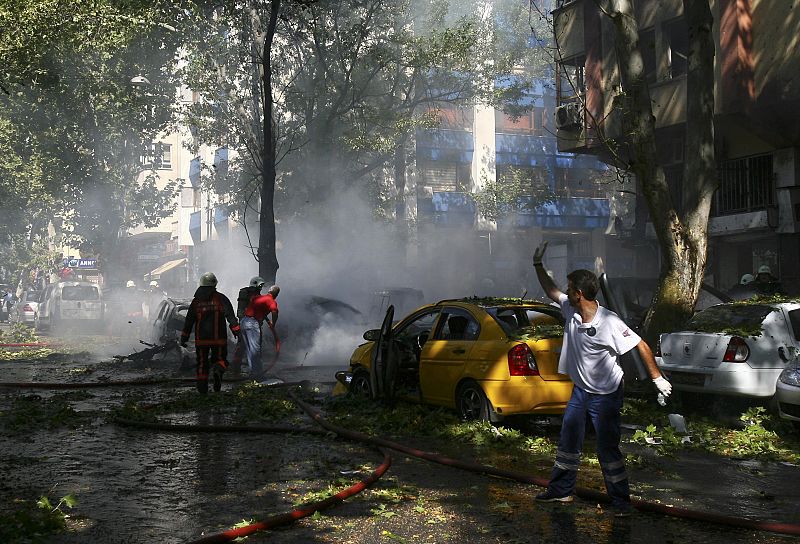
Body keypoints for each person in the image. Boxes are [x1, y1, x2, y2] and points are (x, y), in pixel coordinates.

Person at [531, 241, 672, 517]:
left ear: (579, 294)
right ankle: (561, 491)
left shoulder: (609, 322)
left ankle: (621, 503)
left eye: (570, 289)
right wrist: (537, 265)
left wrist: (657, 379)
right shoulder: (570, 310)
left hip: (606, 395)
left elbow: (641, 345)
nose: (566, 292)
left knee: (607, 449)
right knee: (568, 441)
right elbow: (551, 290)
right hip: (581, 391)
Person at [180, 272, 240, 394]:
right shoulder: (221, 298)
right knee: (220, 359)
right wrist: (237, 331)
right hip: (219, 338)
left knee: (202, 363)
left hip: (201, 339)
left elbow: (189, 320)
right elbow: (230, 316)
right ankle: (218, 370)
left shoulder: (196, 302)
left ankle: (202, 389)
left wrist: (184, 338)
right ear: (214, 284)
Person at [240, 282, 279, 381]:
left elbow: (255, 306)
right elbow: (274, 312)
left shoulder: (259, 298)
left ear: (269, 291)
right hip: (252, 323)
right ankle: (258, 375)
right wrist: (273, 324)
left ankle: (253, 373)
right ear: (276, 295)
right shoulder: (271, 301)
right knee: (255, 350)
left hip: (244, 321)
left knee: (249, 349)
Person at [230, 276, 266, 375]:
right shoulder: (246, 293)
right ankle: (238, 368)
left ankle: (253, 368)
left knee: (250, 346)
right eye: (260, 285)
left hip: (252, 322)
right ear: (256, 284)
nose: (261, 288)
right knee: (246, 346)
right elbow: (241, 310)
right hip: (248, 322)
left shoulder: (253, 294)